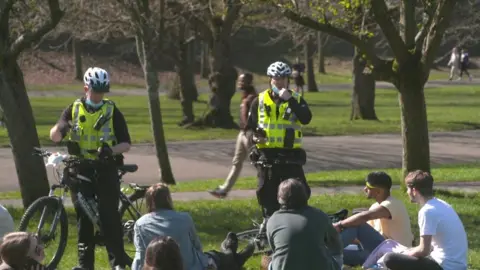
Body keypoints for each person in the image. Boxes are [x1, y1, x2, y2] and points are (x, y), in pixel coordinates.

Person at [49, 67, 132, 270]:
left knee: (109, 217)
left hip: (105, 169)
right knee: (83, 221)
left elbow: (126, 143)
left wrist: (110, 150)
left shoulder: (112, 110)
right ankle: (85, 266)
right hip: (80, 171)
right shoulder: (73, 109)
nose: (98, 95)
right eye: (95, 91)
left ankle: (118, 264)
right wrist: (62, 128)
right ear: (86, 88)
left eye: (102, 91)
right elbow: (54, 136)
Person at [246, 61, 312, 232]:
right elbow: (249, 127)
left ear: (288, 80)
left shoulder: (296, 99)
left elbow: (305, 118)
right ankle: (270, 228)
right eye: (276, 78)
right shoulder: (258, 100)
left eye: (283, 78)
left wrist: (289, 100)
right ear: (270, 79)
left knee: (298, 193)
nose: (279, 82)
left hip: (290, 157)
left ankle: (298, 226)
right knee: (267, 195)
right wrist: (254, 137)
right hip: (267, 157)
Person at [132, 183, 254, 270]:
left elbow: (140, 255)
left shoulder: (140, 225)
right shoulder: (184, 219)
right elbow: (197, 246)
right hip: (191, 266)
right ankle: (233, 255)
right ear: (168, 199)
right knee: (218, 257)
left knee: (217, 257)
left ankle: (232, 253)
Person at [383, 170, 468, 270]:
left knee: (389, 258)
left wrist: (406, 253)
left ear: (414, 191)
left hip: (444, 266)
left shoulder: (427, 211)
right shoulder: (441, 204)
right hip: (459, 265)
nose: (407, 192)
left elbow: (424, 250)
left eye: (407, 189)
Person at [332, 172, 413, 266]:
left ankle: (321, 251)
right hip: (375, 252)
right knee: (332, 254)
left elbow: (363, 218)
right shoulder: (375, 206)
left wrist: (339, 225)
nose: (364, 189)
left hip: (394, 254)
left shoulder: (393, 203)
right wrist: (344, 233)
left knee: (357, 224)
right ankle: (319, 254)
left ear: (378, 191)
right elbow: (361, 237)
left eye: (368, 187)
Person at [266, 178, 343, 270]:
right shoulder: (320, 216)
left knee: (270, 263)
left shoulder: (273, 220)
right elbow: (335, 243)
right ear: (305, 196)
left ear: (279, 198)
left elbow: (275, 249)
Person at [209, 73, 257, 198]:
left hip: (249, 134)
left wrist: (252, 132)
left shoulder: (253, 98)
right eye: (239, 82)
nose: (239, 84)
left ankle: (272, 186)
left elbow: (256, 118)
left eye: (242, 82)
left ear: (249, 83)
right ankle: (224, 190)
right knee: (237, 162)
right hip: (242, 133)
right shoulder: (245, 96)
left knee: (259, 163)